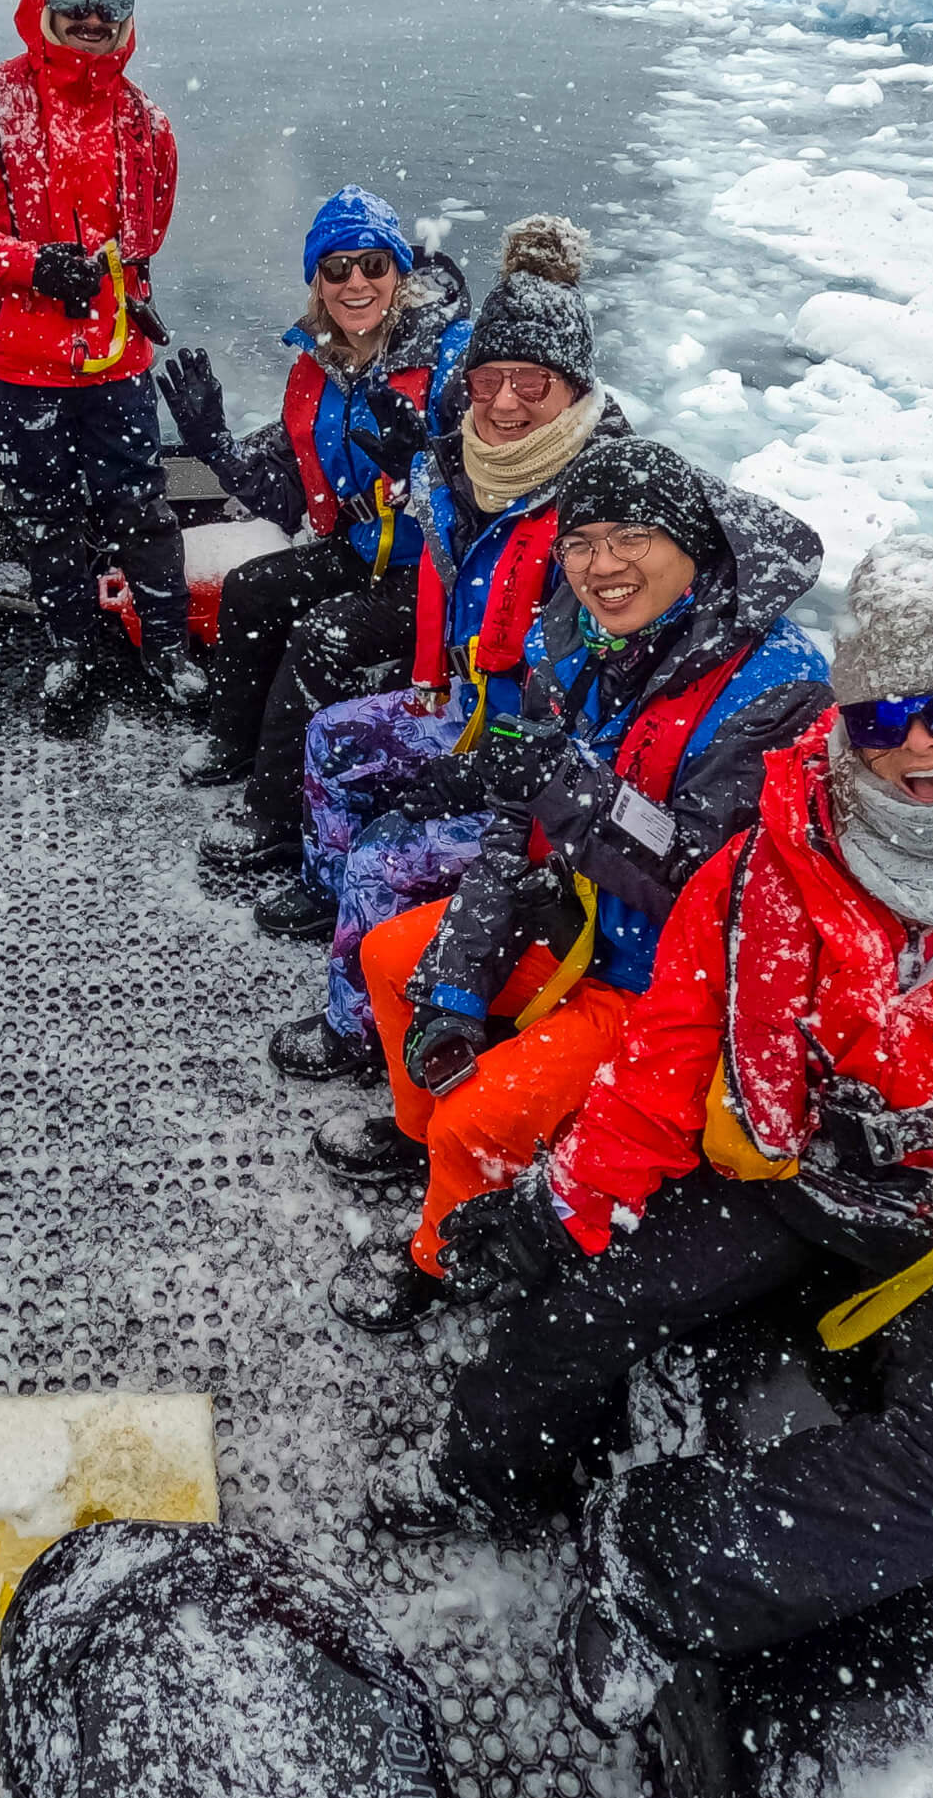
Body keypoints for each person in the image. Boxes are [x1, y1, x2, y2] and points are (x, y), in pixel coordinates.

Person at [367, 535, 933, 1733]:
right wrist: (555, 1206)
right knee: (583, 1303)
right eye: (883, 717)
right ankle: (478, 1473)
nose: (921, 747)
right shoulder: (764, 865)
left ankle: (654, 1551)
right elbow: (664, 1062)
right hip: (790, 1179)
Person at [324, 439, 829, 1330]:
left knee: (477, 1123)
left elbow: (713, 886)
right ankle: (419, 1144)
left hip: (673, 981)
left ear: (696, 547)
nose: (601, 565)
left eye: (632, 536)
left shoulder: (774, 692)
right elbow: (518, 829)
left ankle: (446, 1254)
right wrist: (455, 984)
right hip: (581, 911)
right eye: (581, 540)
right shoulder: (580, 639)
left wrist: (577, 794)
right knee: (393, 957)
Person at [260, 219, 629, 1082]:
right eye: (486, 380)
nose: (502, 403)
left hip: (550, 774)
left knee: (389, 851)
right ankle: (334, 900)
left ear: (572, 390)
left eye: (530, 383)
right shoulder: (467, 468)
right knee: (336, 739)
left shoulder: (599, 516)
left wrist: (489, 768)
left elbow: (587, 699)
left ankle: (360, 1031)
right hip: (467, 711)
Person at [0, 0, 200, 734]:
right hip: (20, 366)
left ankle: (168, 648)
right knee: (46, 515)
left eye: (110, 1)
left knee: (142, 508)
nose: (90, 16)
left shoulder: (148, 123)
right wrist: (36, 267)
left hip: (118, 364)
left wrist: (103, 285)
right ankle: (69, 645)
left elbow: (149, 237)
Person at [158, 187, 469, 855]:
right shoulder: (318, 368)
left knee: (321, 635)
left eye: (373, 265)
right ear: (317, 283)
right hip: (361, 551)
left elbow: (497, 471)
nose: (355, 282)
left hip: (439, 571)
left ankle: (276, 816)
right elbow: (286, 497)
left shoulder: (451, 358)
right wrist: (212, 443)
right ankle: (234, 743)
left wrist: (427, 463)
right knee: (251, 588)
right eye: (336, 268)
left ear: (399, 274)